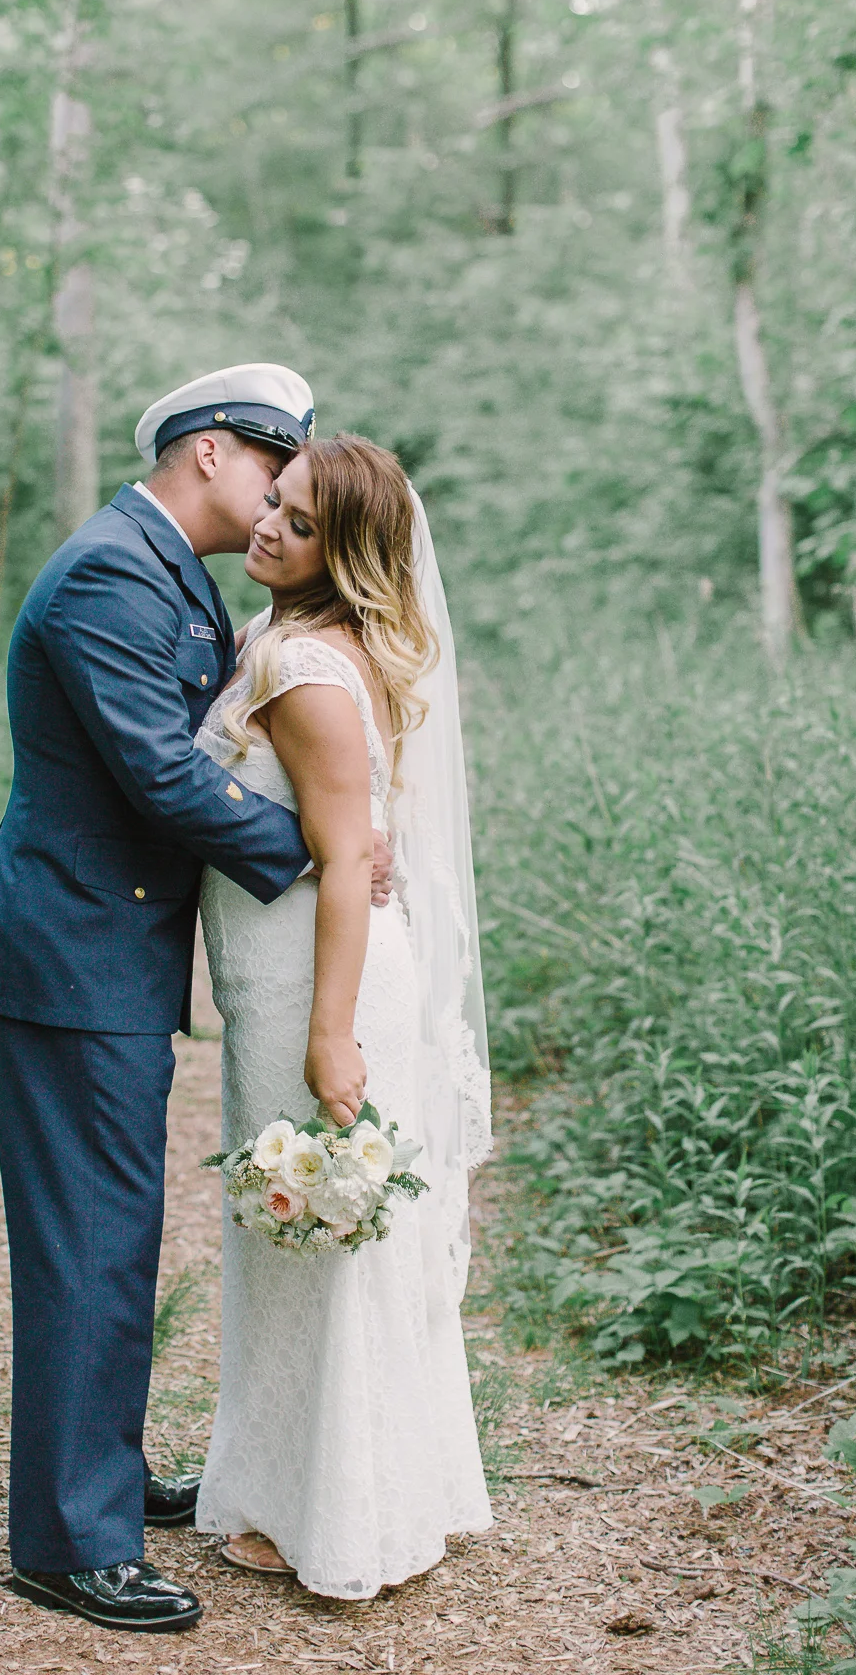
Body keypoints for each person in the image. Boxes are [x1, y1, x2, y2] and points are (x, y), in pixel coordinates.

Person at [0, 366, 392, 1636]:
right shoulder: (109, 572)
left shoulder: (168, 574)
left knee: (115, 1229)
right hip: (73, 954)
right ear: (212, 450)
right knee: (90, 1237)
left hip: (109, 951)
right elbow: (156, 769)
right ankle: (69, 1541)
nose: (276, 501)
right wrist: (315, 846)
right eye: (274, 469)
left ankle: (99, 1472)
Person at [194, 433, 493, 1598]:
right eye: (276, 500)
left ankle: (340, 1509)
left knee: (318, 1233)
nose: (270, 524)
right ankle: (319, 1483)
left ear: (351, 553)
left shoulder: (310, 672)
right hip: (294, 966)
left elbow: (350, 858)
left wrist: (332, 1034)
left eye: (303, 521)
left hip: (319, 979)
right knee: (301, 1235)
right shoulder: (286, 638)